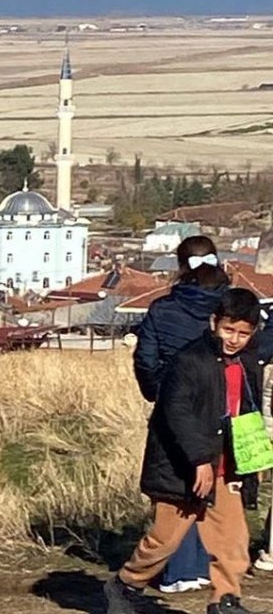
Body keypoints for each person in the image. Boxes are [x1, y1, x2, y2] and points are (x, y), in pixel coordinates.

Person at [105, 288, 265, 614]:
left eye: (243, 333)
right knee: (164, 541)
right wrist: (199, 460)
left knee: (233, 542)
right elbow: (175, 413)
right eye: (228, 329)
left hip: (226, 466)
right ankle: (124, 585)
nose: (234, 339)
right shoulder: (189, 361)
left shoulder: (248, 362)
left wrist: (254, 458)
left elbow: (246, 412)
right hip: (183, 467)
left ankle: (225, 600)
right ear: (213, 322)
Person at [133, 235, 228, 589]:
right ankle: (209, 565)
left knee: (176, 489)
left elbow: (145, 357)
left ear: (179, 266)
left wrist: (158, 391)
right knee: (218, 485)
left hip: (176, 405)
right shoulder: (227, 307)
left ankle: (178, 569)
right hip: (221, 405)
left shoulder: (163, 309)